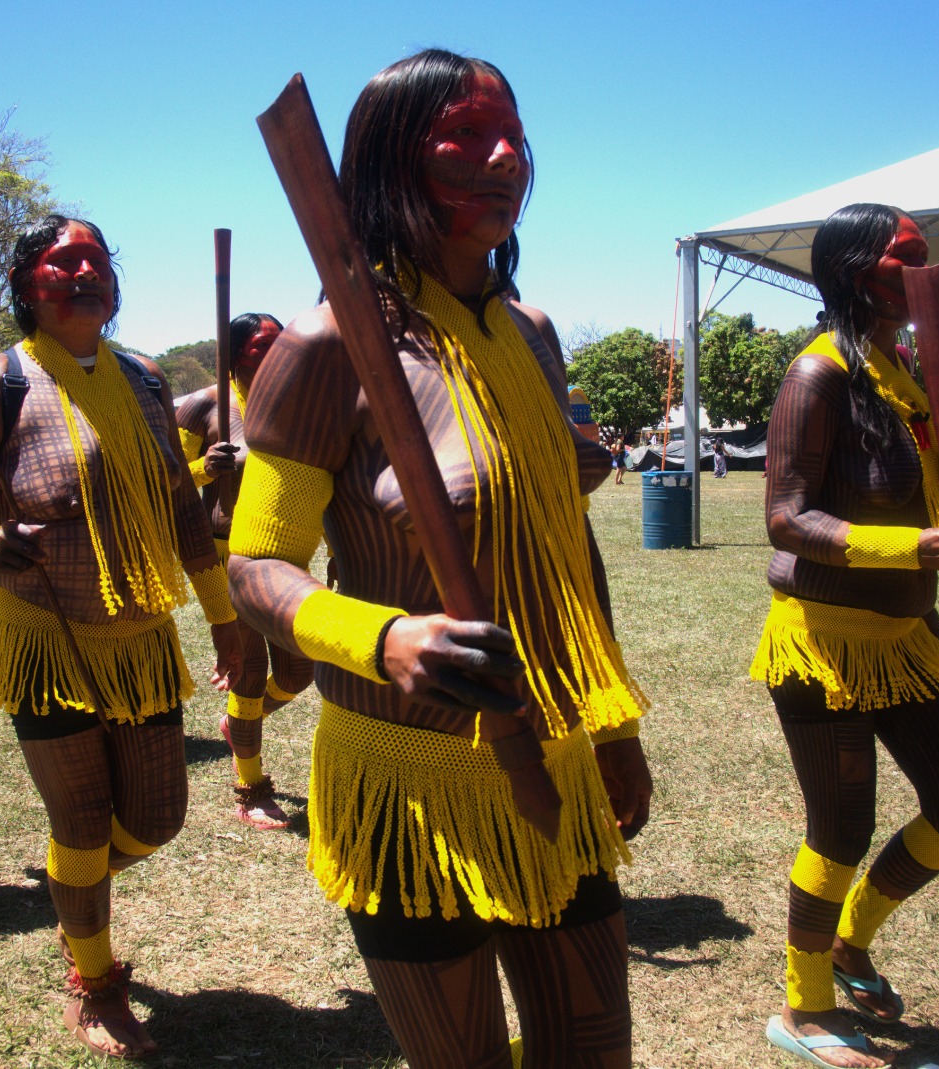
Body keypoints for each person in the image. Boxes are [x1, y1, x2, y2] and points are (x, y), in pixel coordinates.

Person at [228, 50, 651, 1069]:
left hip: (550, 749)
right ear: (386, 164)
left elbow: (565, 542)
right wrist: (379, 637)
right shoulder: (326, 347)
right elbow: (255, 564)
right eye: (463, 136)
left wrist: (614, 719)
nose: (503, 155)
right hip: (404, 783)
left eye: (510, 135)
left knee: (590, 1051)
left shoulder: (531, 333)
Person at [0, 215, 242, 1059]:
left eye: (95, 260)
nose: (82, 273)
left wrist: (223, 616)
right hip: (46, 638)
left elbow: (181, 506)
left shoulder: (142, 379)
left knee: (158, 817)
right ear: (28, 283)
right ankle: (96, 986)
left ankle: (76, 899)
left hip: (139, 638)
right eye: (61, 262)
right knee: (81, 819)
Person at [751, 203, 939, 1069]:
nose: (927, 272)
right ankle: (805, 1003)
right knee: (840, 828)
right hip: (822, 644)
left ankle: (852, 940)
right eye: (908, 259)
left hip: (905, 639)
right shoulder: (816, 376)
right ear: (861, 272)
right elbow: (786, 519)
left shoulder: (898, 370)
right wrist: (916, 546)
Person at [175, 312, 315, 829]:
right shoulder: (205, 403)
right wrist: (202, 468)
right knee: (251, 674)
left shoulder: (298, 404)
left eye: (281, 344)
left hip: (285, 556)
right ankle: (250, 789)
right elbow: (162, 478)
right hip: (225, 556)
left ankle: (238, 722)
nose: (275, 354)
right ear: (234, 356)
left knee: (301, 671)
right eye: (261, 347)